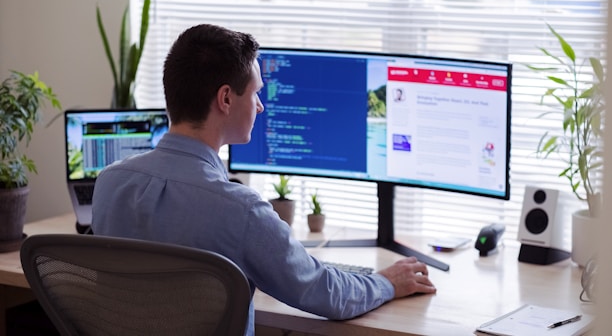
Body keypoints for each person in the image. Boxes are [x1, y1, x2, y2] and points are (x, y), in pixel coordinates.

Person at [92, 23, 436, 336]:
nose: (260, 107)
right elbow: (323, 292)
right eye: (255, 93)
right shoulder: (239, 210)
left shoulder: (109, 183)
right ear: (226, 99)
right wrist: (387, 282)